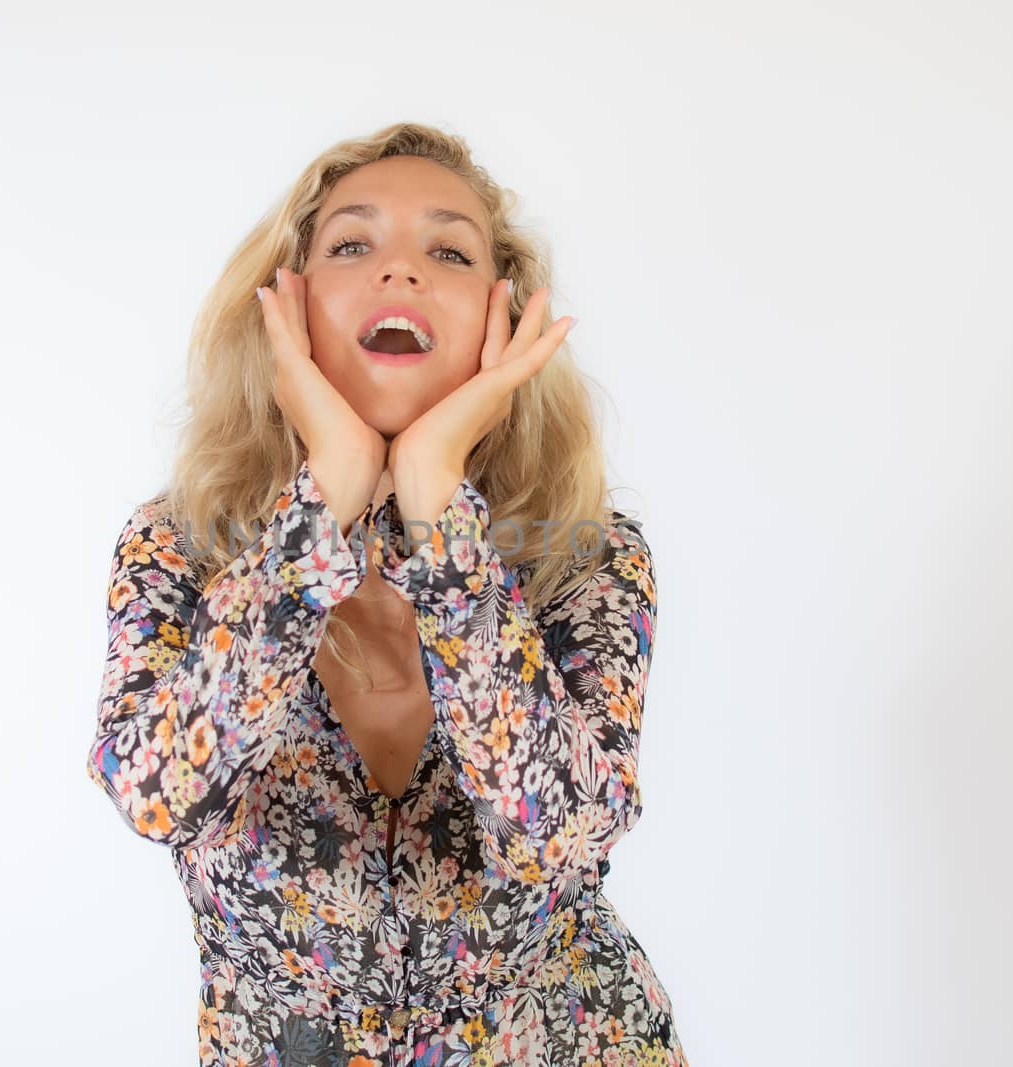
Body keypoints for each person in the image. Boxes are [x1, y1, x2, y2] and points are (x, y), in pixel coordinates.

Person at [85, 121, 690, 1067]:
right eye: (352, 244)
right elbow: (159, 794)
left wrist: (438, 501)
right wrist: (326, 490)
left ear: (506, 319)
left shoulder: (588, 558)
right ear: (287, 304)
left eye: (446, 250)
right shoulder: (180, 550)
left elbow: (563, 835)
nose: (400, 272)